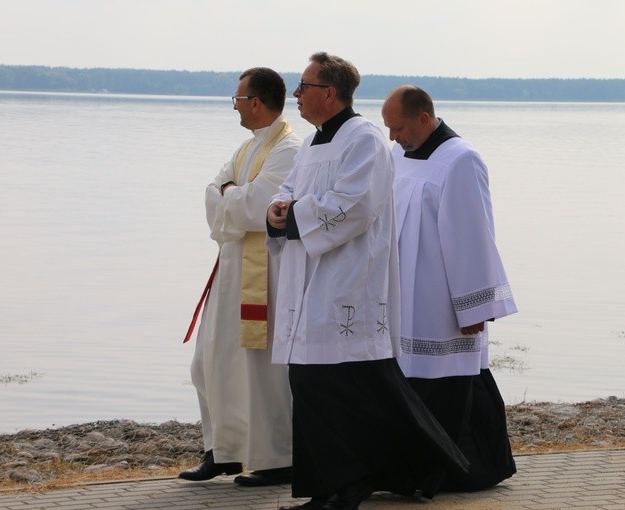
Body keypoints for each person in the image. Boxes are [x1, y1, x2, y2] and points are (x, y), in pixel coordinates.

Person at [266, 52, 469, 510]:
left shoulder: (365, 141)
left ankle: (351, 485)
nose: (295, 94)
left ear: (329, 93)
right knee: (311, 386)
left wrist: (293, 216)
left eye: (303, 86)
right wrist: (277, 208)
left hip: (346, 283)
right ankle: (329, 487)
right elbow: (289, 188)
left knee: (345, 391)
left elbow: (354, 205)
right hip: (306, 279)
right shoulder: (314, 142)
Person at [381, 84, 519, 491]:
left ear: (424, 118)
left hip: (441, 297)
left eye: (399, 126)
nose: (392, 136)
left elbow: (473, 236)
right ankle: (410, 471)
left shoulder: (461, 159)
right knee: (407, 378)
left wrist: (474, 308)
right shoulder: (398, 154)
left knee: (451, 381)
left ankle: (463, 469)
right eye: (388, 128)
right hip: (403, 292)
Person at [179, 67, 301, 487]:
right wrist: (232, 197)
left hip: (264, 275)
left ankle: (276, 457)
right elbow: (213, 194)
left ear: (255, 102)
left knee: (260, 370)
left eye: (237, 99)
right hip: (230, 269)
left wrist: (231, 196)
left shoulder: (289, 149)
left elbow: (257, 206)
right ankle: (223, 451)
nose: (234, 106)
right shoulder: (246, 148)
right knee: (209, 362)